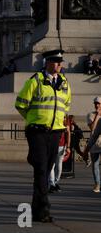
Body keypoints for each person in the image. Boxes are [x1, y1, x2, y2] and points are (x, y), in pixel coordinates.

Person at [15, 49, 71, 223]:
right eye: (55, 61)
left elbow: (66, 105)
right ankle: (44, 209)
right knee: (41, 169)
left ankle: (37, 208)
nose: (59, 65)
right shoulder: (36, 81)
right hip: (38, 131)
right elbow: (20, 104)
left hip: (55, 132)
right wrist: (33, 119)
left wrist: (57, 121)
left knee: (45, 171)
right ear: (47, 62)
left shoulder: (64, 83)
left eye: (60, 62)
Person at [49, 116, 71, 193]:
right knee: (55, 165)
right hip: (56, 144)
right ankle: (53, 183)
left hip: (57, 144)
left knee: (55, 165)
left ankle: (54, 183)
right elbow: (68, 132)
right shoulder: (63, 116)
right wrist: (68, 146)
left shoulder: (63, 117)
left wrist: (68, 146)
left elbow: (68, 132)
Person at [83, 113, 101, 193]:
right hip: (95, 145)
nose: (97, 105)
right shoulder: (91, 115)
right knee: (95, 164)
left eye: (99, 104)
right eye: (96, 103)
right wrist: (86, 150)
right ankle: (97, 183)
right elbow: (94, 132)